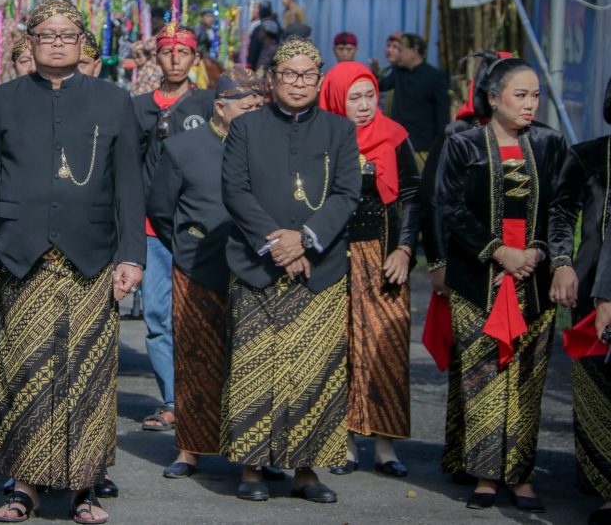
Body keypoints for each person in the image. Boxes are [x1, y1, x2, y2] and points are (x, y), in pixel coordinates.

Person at [0, 0, 144, 524]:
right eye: (47, 35)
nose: (58, 43)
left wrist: (132, 256)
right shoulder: (2, 100)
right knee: (24, 371)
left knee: (87, 373)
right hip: (21, 258)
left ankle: (85, 488)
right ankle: (25, 487)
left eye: (68, 35)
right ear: (32, 42)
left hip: (92, 260)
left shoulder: (114, 101)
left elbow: (128, 187)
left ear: (83, 43)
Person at [220, 37, 360, 504]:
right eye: (289, 74)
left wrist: (306, 239)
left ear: (319, 80)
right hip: (257, 265)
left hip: (320, 268)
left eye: (307, 75)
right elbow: (235, 190)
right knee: (255, 367)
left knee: (314, 370)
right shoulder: (247, 127)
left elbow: (346, 193)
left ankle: (306, 469)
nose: (298, 83)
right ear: (272, 80)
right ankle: (252, 467)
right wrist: (278, 242)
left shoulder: (340, 130)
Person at [434, 56, 566, 513]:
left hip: (534, 281)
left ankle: (521, 475)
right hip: (479, 280)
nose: (530, 105)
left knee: (528, 379)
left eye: (535, 96)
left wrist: (541, 253)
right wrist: (498, 251)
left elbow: (561, 208)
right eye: (520, 95)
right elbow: (449, 207)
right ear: (493, 98)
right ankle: (486, 475)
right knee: (484, 376)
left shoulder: (550, 143)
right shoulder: (463, 144)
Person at [147, 70, 264, 480]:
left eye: (259, 106)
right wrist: (185, 246)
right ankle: (190, 449)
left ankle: (252, 453)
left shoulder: (264, 146)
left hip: (254, 268)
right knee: (195, 358)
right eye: (247, 107)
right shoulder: (183, 147)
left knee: (251, 361)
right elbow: (161, 209)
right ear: (220, 108)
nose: (255, 113)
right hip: (197, 265)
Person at [318, 62, 421, 478]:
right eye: (353, 98)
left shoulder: (394, 136)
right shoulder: (322, 138)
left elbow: (412, 195)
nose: (363, 106)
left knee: (385, 347)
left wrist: (405, 249)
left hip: (383, 259)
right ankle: (344, 442)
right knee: (340, 348)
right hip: (335, 258)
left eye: (369, 96)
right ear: (335, 99)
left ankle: (384, 445)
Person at [131, 22, 215, 434]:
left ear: (195, 58)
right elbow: (127, 168)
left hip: (201, 230)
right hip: (151, 230)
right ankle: (172, 400)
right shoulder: (138, 108)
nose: (175, 59)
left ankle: (205, 396)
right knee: (158, 316)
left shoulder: (209, 105)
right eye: (167, 52)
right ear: (157, 57)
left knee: (200, 315)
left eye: (184, 52)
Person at [547, 77, 611, 525]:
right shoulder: (588, 155)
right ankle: (601, 481)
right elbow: (562, 213)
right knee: (595, 388)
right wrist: (562, 262)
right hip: (591, 289)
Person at [378, 33, 449, 166]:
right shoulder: (398, 72)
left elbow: (443, 116)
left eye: (401, 50)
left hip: (424, 147)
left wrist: (440, 146)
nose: (398, 54)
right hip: (399, 142)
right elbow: (382, 85)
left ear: (414, 51)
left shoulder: (434, 76)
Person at [246, 0, 275, 68]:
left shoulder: (258, 28)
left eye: (257, 8)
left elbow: (253, 49)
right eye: (254, 8)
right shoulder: (275, 25)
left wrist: (250, 65)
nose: (255, 10)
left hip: (261, 64)